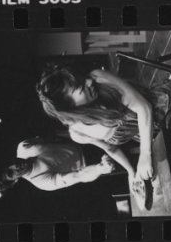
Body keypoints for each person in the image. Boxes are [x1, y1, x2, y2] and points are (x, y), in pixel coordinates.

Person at [36, 62, 158, 204]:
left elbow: (144, 107)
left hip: (167, 108)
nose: (89, 81)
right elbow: (111, 148)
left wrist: (145, 154)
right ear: (69, 106)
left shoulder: (98, 77)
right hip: (154, 136)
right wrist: (131, 172)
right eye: (81, 86)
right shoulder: (78, 133)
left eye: (83, 79)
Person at [0, 138, 122, 198]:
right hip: (94, 163)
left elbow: (56, 136)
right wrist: (99, 168)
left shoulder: (23, 146)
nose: (14, 165)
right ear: (13, 181)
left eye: (8, 162)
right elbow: (79, 176)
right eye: (10, 172)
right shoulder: (41, 182)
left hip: (88, 141)